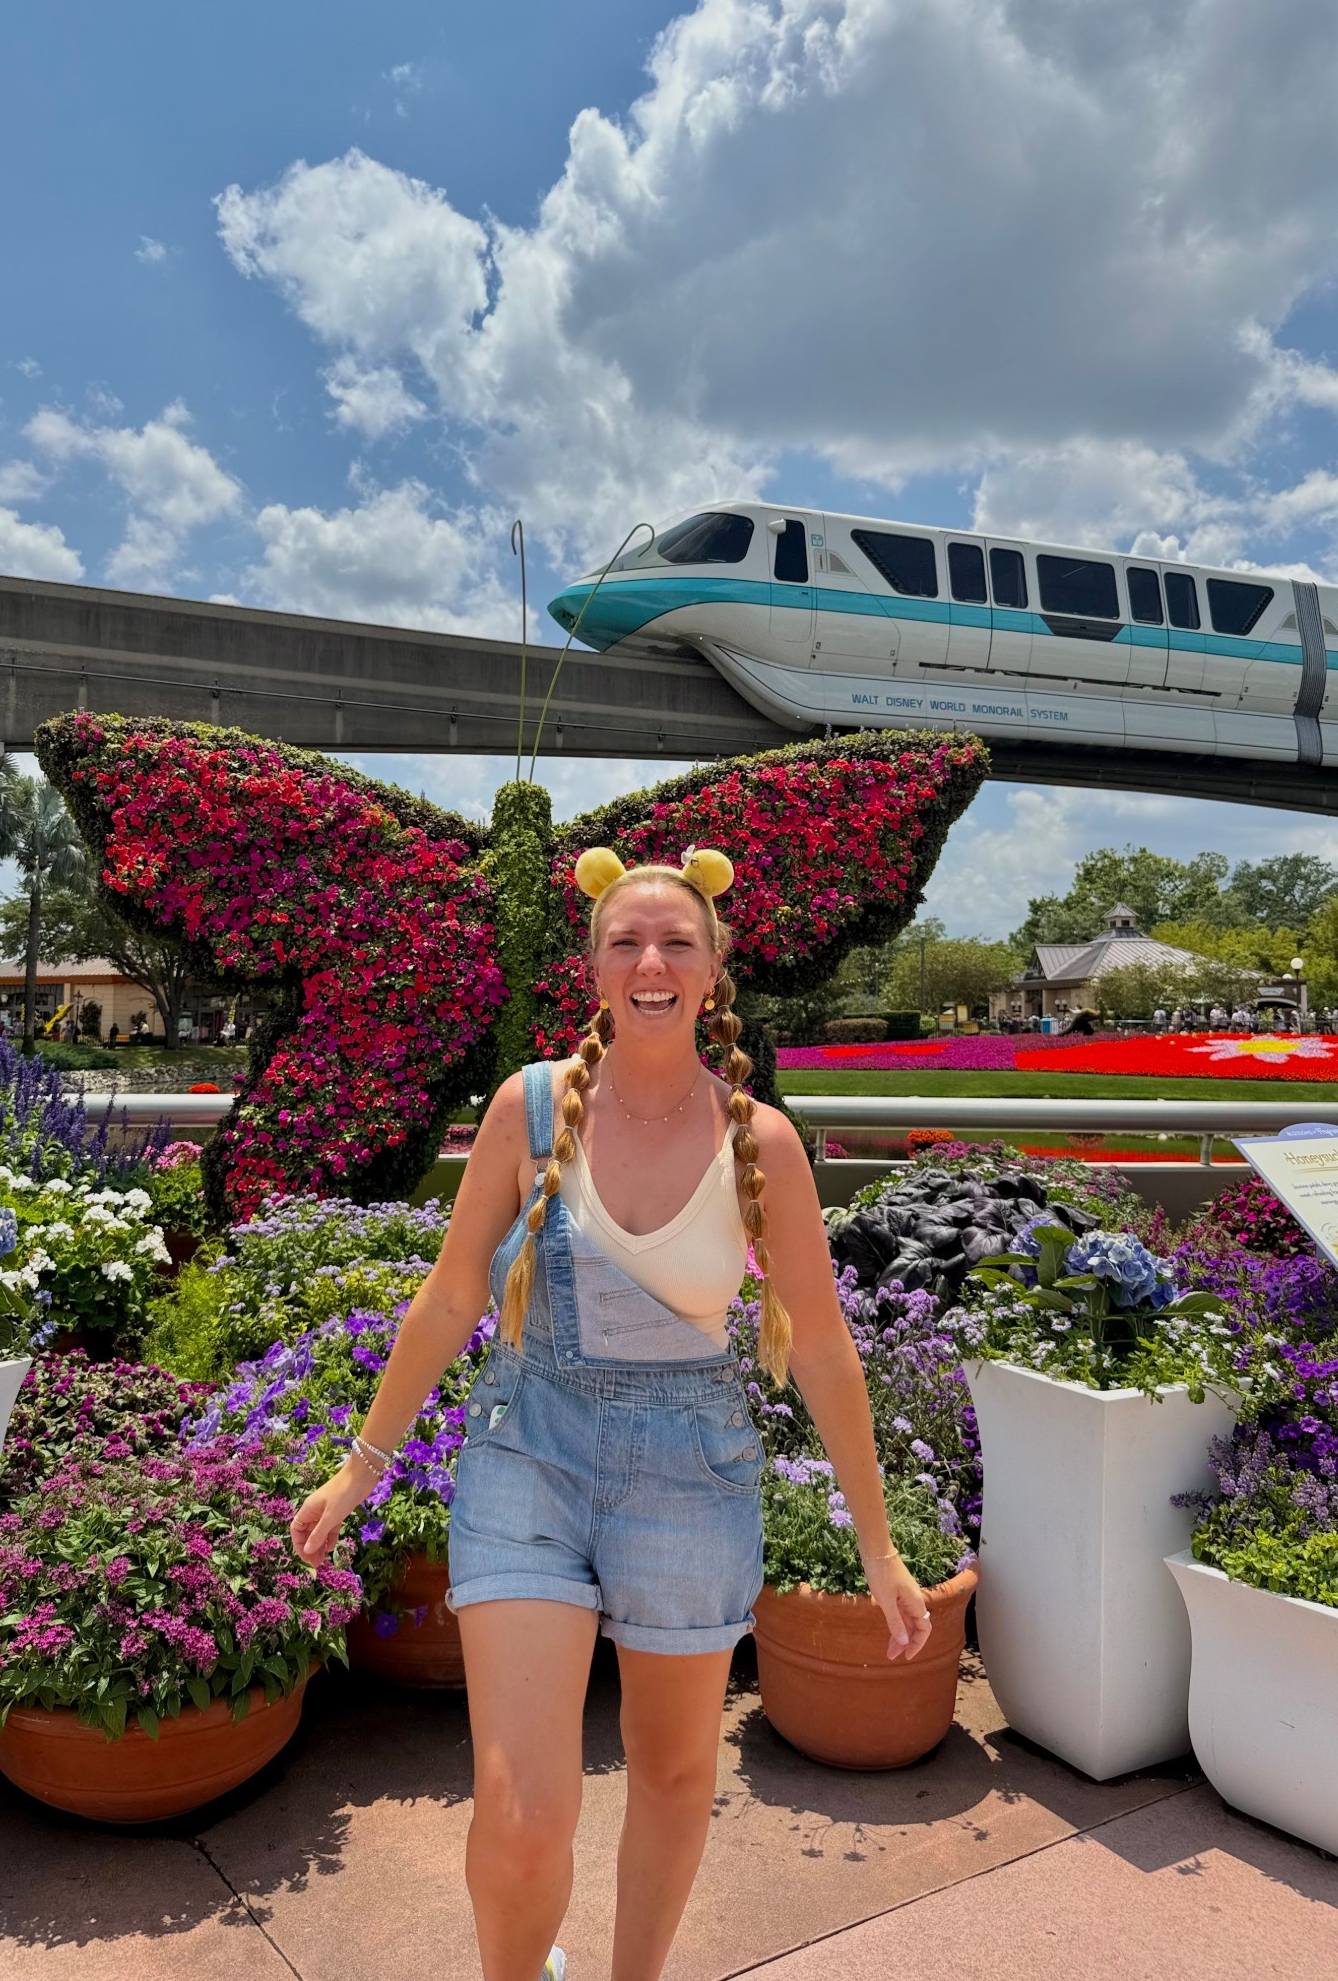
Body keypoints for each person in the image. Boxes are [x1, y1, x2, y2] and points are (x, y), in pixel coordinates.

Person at [291, 845, 931, 1981]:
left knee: (674, 1770)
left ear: (714, 967)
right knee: (522, 1806)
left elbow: (825, 1352)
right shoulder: (528, 1110)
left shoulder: (761, 1141)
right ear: (592, 968)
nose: (651, 960)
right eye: (626, 941)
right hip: (526, 1450)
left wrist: (876, 1545)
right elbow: (449, 1297)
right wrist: (363, 1461)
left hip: (693, 1468)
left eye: (677, 940)